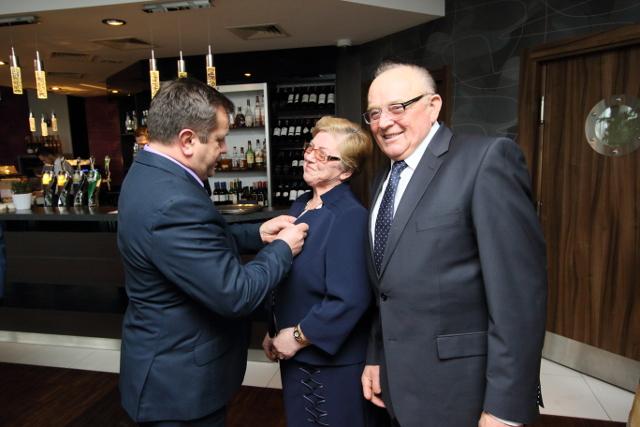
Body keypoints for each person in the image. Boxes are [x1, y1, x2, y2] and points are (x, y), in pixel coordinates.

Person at [360, 62, 548, 427]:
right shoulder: (383, 178)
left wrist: (505, 408)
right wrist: (376, 356)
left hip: (462, 392)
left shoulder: (486, 160)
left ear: (433, 105)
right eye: (375, 113)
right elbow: (387, 288)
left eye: (398, 107)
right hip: (398, 386)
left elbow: (519, 298)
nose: (384, 122)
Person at [117, 78, 308, 427]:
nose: (224, 149)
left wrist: (256, 234)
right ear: (188, 140)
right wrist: (284, 248)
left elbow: (194, 246)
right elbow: (236, 294)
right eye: (219, 139)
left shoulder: (149, 173)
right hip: (177, 387)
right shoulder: (172, 200)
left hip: (167, 368)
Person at [262, 116, 373, 426]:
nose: (310, 156)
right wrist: (273, 330)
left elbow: (349, 299)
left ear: (346, 171)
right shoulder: (300, 206)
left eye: (323, 154)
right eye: (310, 148)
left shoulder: (349, 217)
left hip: (329, 366)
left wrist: (297, 337)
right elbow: (290, 283)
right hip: (296, 356)